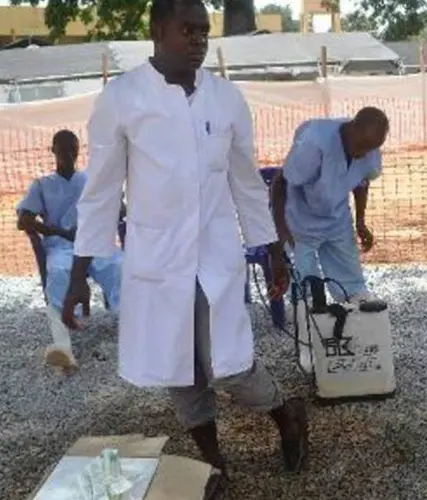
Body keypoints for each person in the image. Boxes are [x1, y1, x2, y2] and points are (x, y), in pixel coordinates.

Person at [60, 0, 309, 485]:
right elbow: (102, 192)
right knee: (178, 367)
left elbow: (246, 183)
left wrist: (273, 250)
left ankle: (286, 413)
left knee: (229, 365)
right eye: (187, 30)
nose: (198, 40)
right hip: (158, 260)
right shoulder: (123, 98)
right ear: (157, 31)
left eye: (203, 31)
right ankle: (213, 464)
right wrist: (78, 276)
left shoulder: (226, 99)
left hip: (215, 257)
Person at [16, 129, 122, 372]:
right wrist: (56, 231)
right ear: (53, 151)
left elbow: (117, 208)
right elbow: (24, 220)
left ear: (78, 151)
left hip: (95, 242)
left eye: (72, 149)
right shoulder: (42, 185)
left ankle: (131, 330)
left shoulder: (89, 180)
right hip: (61, 247)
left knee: (120, 267)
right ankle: (62, 347)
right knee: (58, 274)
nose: (68, 154)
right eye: (62, 149)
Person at [270, 107, 389, 303]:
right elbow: (279, 184)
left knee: (354, 290)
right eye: (361, 146)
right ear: (351, 129)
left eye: (370, 149)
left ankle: (353, 324)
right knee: (305, 292)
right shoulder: (314, 143)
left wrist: (360, 222)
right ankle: (308, 319)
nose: (363, 154)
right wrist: (279, 239)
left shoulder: (369, 149)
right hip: (299, 223)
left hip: (337, 221)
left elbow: (361, 181)